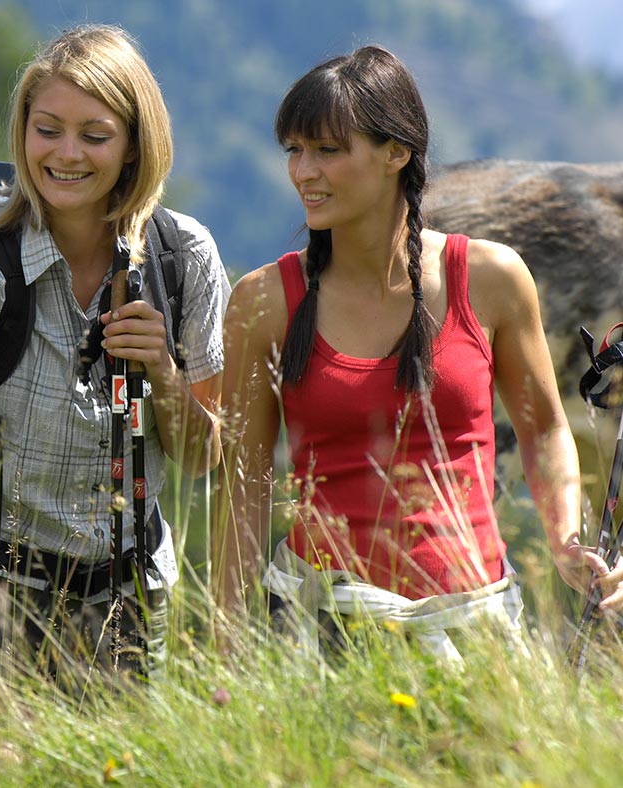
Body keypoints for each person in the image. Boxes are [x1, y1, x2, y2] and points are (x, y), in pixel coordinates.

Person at [0, 23, 229, 747]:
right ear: (23, 133)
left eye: (94, 135)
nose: (66, 154)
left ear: (135, 144)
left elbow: (204, 454)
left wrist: (163, 374)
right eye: (48, 130)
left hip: (120, 592)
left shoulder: (183, 259)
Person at [214, 45, 623, 661]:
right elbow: (244, 486)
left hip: (475, 628)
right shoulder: (264, 301)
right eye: (294, 151)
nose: (303, 171)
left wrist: (567, 539)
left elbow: (544, 433)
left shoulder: (491, 277)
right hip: (316, 627)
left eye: (328, 150)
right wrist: (224, 641)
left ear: (396, 153)